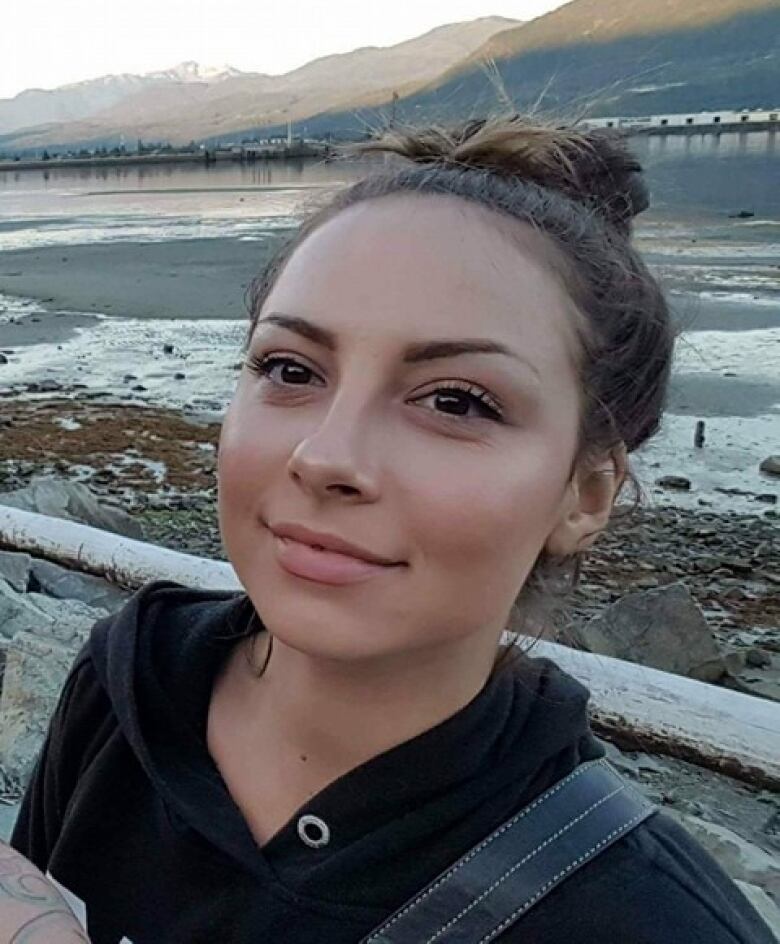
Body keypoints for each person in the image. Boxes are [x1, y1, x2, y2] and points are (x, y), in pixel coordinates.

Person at [7, 115, 775, 944]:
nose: (324, 455)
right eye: (289, 369)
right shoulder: (132, 679)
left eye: (456, 400)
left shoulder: (642, 920)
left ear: (586, 494)